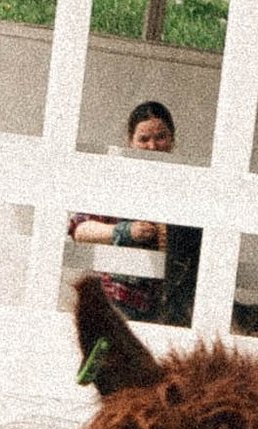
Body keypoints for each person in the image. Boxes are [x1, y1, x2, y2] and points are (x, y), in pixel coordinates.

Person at [73, 98, 199, 324]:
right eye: (144, 139)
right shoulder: (114, 182)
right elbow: (80, 230)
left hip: (168, 309)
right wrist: (125, 231)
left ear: (172, 139)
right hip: (117, 303)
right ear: (130, 141)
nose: (153, 146)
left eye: (160, 137)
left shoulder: (185, 188)